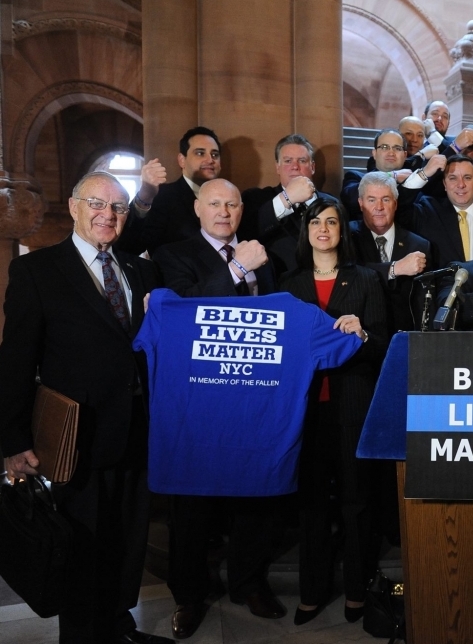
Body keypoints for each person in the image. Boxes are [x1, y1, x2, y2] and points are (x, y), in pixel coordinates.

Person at [0, 171, 167, 644]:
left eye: (117, 207)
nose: (107, 215)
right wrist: (14, 442)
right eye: (97, 203)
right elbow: (16, 362)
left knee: (128, 544)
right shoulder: (38, 271)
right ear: (73, 207)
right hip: (78, 440)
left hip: (137, 434)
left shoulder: (140, 270)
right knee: (82, 548)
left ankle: (118, 626)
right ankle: (83, 637)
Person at [151, 179, 281, 638]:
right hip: (197, 403)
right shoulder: (173, 254)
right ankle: (189, 596)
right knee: (192, 506)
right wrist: (234, 270)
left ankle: (249, 582)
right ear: (197, 208)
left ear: (242, 210)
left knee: (254, 496)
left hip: (252, 400)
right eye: (214, 203)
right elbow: (185, 314)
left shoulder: (262, 257)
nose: (223, 211)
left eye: (231, 204)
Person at [279, 197, 389, 627]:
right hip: (304, 410)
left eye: (331, 222)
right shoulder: (289, 285)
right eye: (315, 222)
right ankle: (312, 591)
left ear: (343, 231)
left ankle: (358, 590)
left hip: (352, 405)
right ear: (305, 232)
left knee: (356, 500)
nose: (323, 228)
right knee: (310, 504)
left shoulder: (364, 280)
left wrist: (362, 334)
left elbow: (383, 346)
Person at [242, 134, 341, 276]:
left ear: (312, 167)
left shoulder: (332, 202)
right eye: (288, 161)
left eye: (302, 160)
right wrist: (286, 198)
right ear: (277, 167)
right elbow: (250, 231)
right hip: (280, 286)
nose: (295, 167)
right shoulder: (257, 199)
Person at [118, 126, 222, 256]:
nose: (210, 160)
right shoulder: (163, 196)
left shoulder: (229, 199)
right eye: (200, 153)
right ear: (182, 160)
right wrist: (145, 196)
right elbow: (130, 245)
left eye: (215, 155)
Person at [349, 171, 431, 332]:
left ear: (395, 203)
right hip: (359, 336)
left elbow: (424, 303)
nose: (379, 207)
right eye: (371, 200)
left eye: (385, 200)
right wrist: (394, 268)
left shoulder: (419, 245)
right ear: (360, 203)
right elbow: (349, 274)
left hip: (404, 337)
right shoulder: (347, 237)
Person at [395, 155, 473, 267]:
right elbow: (396, 208)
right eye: (453, 178)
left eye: (467, 177)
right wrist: (423, 174)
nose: (461, 185)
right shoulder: (428, 211)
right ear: (444, 184)